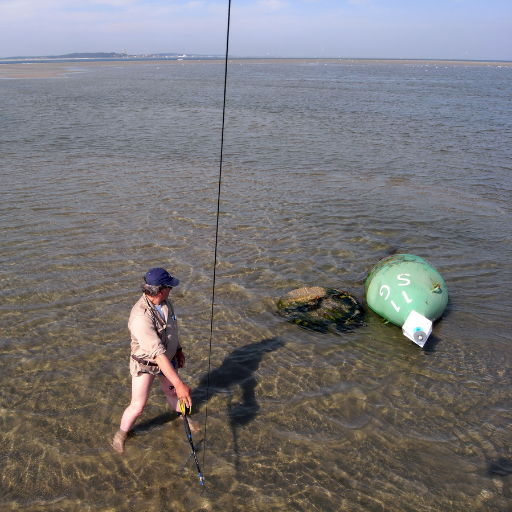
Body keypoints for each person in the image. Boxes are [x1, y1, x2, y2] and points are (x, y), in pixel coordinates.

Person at [112, 267, 197, 454]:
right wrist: (180, 383)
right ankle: (121, 435)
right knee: (138, 406)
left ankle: (182, 418)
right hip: (146, 364)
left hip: (167, 358)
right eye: (169, 287)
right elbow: (157, 354)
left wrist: (179, 350)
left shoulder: (166, 303)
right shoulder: (140, 317)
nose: (171, 290)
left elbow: (172, 330)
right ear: (159, 290)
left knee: (173, 393)